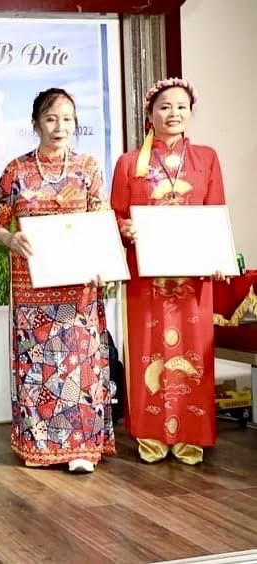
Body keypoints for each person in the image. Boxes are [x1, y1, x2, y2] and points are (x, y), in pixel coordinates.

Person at [0, 88, 116, 473]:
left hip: (79, 290)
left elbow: (101, 222)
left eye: (67, 119)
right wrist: (11, 239)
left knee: (80, 367)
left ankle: (82, 449)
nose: (60, 126)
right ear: (35, 124)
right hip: (33, 291)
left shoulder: (88, 168)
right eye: (50, 118)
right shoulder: (16, 170)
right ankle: (38, 447)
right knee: (38, 370)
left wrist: (103, 264)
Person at [110, 77, 225, 465]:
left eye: (181, 107)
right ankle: (151, 433)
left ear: (191, 113)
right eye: (164, 107)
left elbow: (216, 212)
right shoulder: (130, 163)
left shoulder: (207, 158)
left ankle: (192, 433)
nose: (173, 113)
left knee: (194, 352)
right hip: (147, 277)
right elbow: (116, 215)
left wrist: (219, 258)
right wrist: (125, 228)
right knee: (147, 349)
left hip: (193, 277)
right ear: (150, 113)